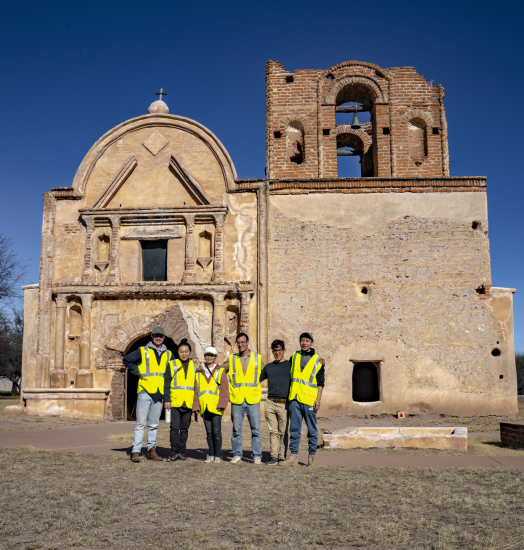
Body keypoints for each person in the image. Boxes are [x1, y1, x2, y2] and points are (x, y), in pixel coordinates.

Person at [123, 327, 172, 462]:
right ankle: (136, 451)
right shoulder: (142, 351)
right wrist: (136, 371)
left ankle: (151, 450)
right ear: (152, 336)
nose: (158, 338)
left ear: (164, 337)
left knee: (154, 425)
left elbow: (177, 366)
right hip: (144, 390)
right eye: (156, 336)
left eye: (160, 336)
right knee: (140, 423)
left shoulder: (168, 354)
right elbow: (127, 360)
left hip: (159, 392)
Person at [280, 332, 325, 467]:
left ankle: (311, 457)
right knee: (294, 429)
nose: (304, 343)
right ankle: (293, 456)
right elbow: (286, 371)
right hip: (295, 398)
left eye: (307, 341)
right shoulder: (294, 356)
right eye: (302, 340)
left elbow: (321, 382)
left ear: (311, 342)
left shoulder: (318, 360)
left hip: (310, 399)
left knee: (312, 429)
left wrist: (318, 399)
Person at [223, 333, 263, 464]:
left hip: (253, 399)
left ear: (247, 343)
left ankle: (257, 455)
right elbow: (219, 370)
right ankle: (236, 454)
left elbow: (269, 372)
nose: (240, 345)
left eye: (243, 342)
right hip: (237, 399)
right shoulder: (232, 359)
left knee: (256, 429)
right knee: (236, 429)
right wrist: (203, 366)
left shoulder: (257, 359)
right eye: (238, 343)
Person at [193, 346, 229, 463]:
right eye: (207, 355)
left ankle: (218, 455)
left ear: (215, 357)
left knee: (216, 432)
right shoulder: (199, 371)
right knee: (209, 433)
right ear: (205, 356)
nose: (209, 357)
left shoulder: (220, 370)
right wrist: (196, 406)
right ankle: (211, 455)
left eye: (211, 355)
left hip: (216, 406)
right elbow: (196, 390)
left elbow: (224, 389)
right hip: (205, 406)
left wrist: (222, 404)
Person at [259, 339, 291, 465]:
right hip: (270, 402)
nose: (277, 353)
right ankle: (273, 457)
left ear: (284, 351)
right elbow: (256, 380)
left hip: (284, 403)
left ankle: (282, 456)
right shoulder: (268, 367)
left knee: (283, 431)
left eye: (279, 350)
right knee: (273, 431)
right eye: (275, 351)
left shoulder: (290, 366)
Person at [164, 338, 196, 462]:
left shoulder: (194, 365)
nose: (184, 354)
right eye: (181, 351)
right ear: (178, 352)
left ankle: (182, 452)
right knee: (174, 428)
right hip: (175, 401)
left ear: (190, 352)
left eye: (186, 351)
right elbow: (166, 383)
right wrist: (167, 400)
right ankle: (174, 451)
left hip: (188, 402)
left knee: (184, 429)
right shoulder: (172, 364)